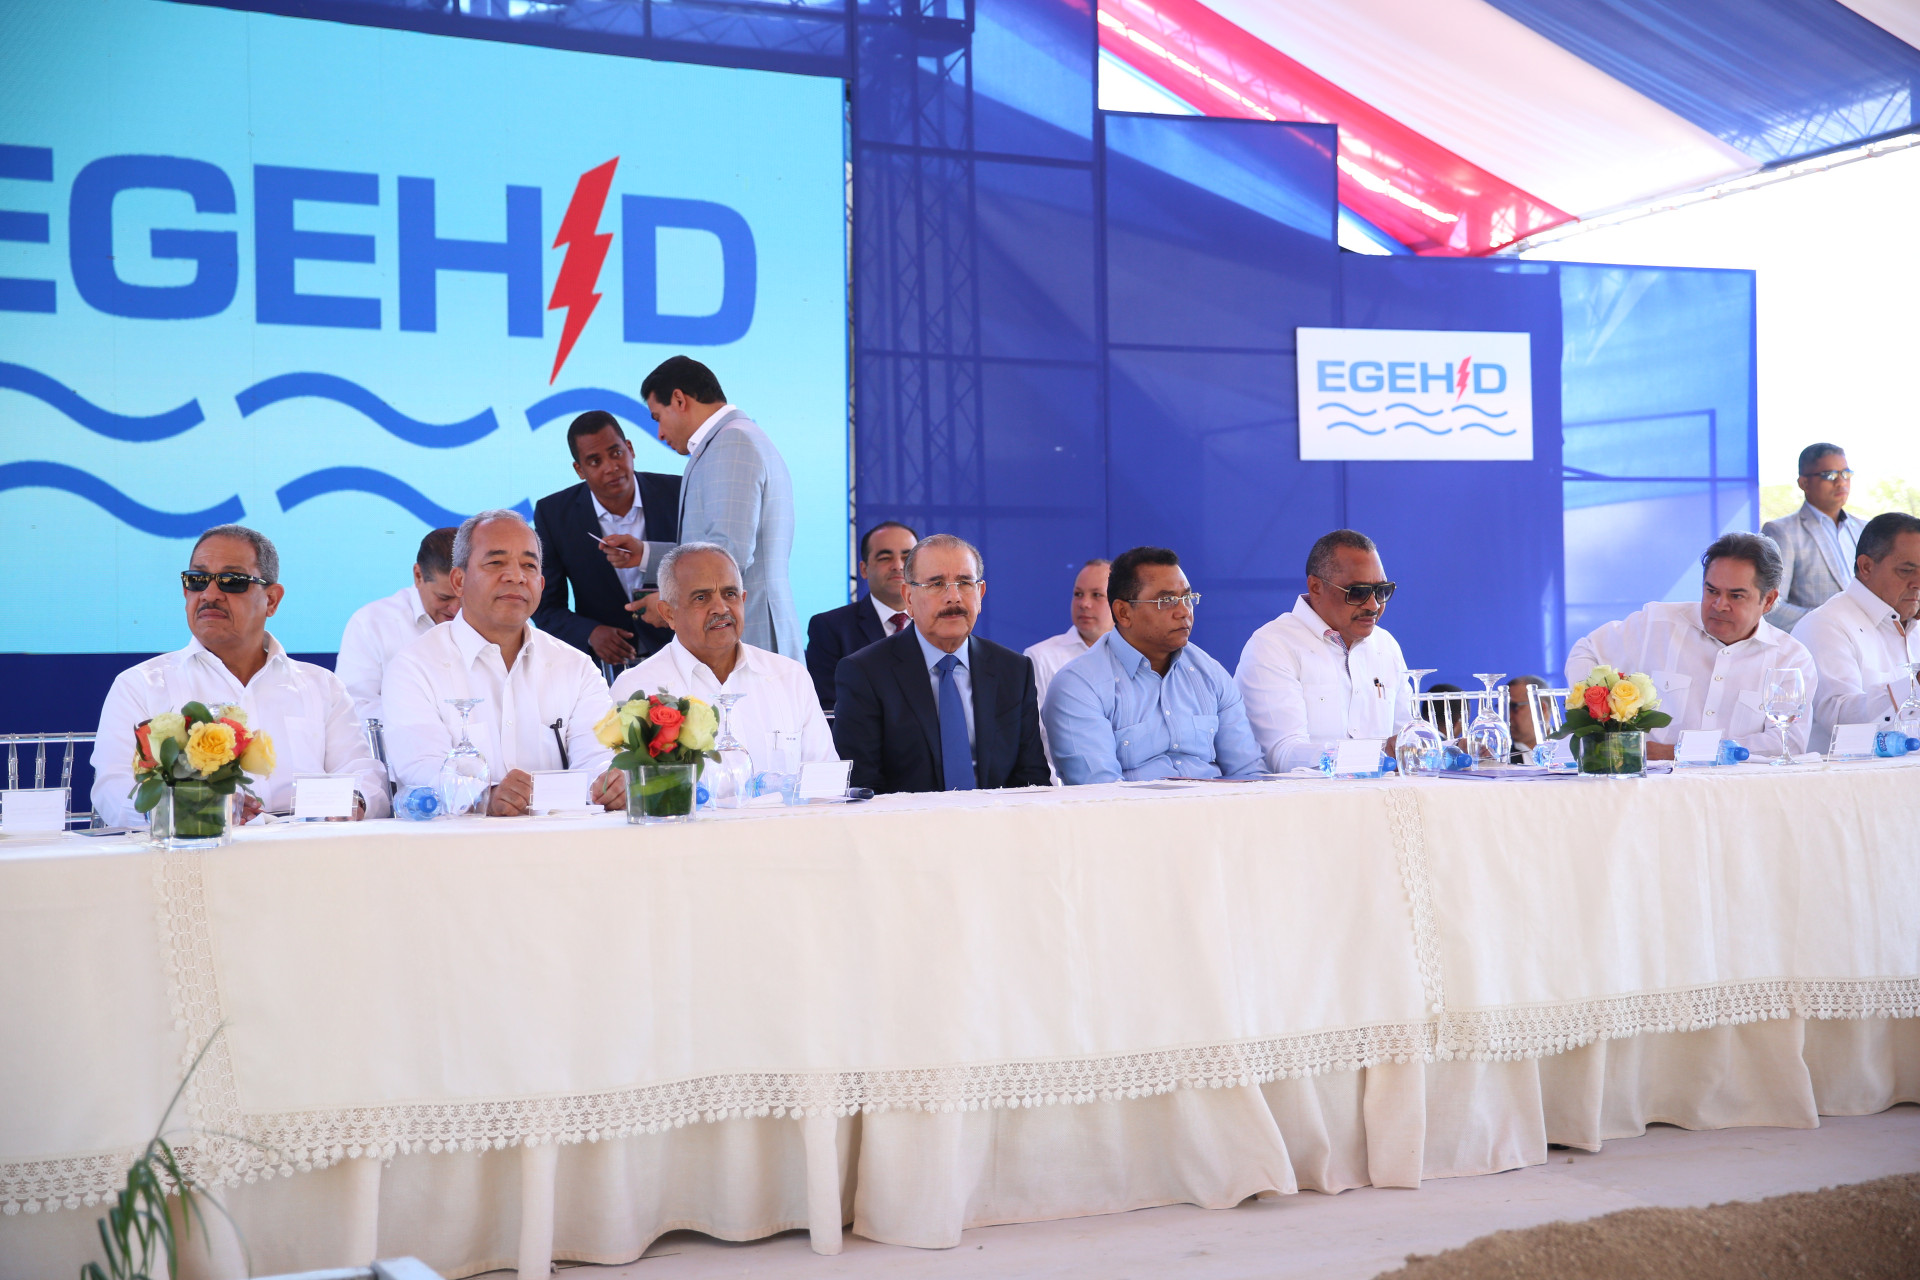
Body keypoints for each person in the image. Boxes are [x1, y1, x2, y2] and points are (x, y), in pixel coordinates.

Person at [92, 524, 389, 826]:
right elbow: (113, 791)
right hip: (198, 848)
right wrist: (193, 808)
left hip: (305, 849)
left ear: (272, 600)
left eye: (231, 581)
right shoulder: (140, 686)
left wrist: (355, 801)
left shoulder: (322, 686)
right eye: (197, 580)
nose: (209, 594)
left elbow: (364, 776)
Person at [384, 510, 624, 815]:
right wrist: (485, 796)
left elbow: (599, 757)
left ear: (541, 584)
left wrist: (609, 784)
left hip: (562, 838)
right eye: (496, 563)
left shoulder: (576, 667)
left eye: (529, 565)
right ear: (459, 581)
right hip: (459, 841)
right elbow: (419, 768)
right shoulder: (414, 668)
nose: (516, 576)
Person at [599, 357, 800, 656]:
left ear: (679, 400)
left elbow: (728, 555)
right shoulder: (733, 439)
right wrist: (645, 554)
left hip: (747, 637)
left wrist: (671, 604)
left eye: (658, 417)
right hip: (740, 633)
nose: (660, 433)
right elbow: (714, 549)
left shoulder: (731, 443)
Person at [1565, 532, 1817, 759]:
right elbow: (1586, 651)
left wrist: (1678, 752)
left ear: (1768, 600)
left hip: (1740, 790)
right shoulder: (1656, 625)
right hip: (1649, 786)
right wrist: (1602, 718)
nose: (1719, 605)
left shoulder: (1791, 659)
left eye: (1736, 596)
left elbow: (1788, 744)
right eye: (1712, 591)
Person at [832, 534, 1049, 794]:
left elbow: (1032, 779)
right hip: (904, 818)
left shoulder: (1014, 670)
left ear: (980, 594)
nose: (953, 597)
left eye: (964, 583)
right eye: (936, 584)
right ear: (909, 598)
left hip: (996, 816)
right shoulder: (865, 673)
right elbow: (863, 787)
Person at [1044, 546, 1263, 784]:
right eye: (1167, 601)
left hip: (1219, 806)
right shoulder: (1079, 685)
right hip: (1131, 808)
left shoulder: (1210, 674)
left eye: (1187, 598)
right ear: (1123, 612)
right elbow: (1101, 791)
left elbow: (1249, 773)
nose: (1183, 612)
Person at [613, 542, 835, 768]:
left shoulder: (789, 676)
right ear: (668, 613)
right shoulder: (636, 689)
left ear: (743, 600)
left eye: (730, 594)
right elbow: (622, 781)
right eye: (701, 598)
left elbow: (825, 776)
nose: (721, 608)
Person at [1234, 530, 1414, 773]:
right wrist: (1373, 756)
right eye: (1358, 592)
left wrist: (1454, 748)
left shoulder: (1386, 645)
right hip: (1305, 797)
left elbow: (1405, 740)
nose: (1373, 605)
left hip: (1381, 794)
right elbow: (1281, 755)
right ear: (1316, 587)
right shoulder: (1272, 645)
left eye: (1382, 591)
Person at [531, 409, 681, 670]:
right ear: (579, 469)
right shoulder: (554, 514)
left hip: (681, 652)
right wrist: (590, 633)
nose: (611, 467)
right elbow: (545, 607)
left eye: (616, 453)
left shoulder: (677, 493)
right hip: (605, 667)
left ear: (630, 449)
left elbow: (705, 564)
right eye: (595, 461)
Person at [1793, 511, 1920, 752]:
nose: (1918, 583)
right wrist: (1914, 686)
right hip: (1847, 774)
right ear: (1866, 567)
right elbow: (1842, 722)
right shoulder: (1825, 625)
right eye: (1906, 570)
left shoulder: (1914, 624)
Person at [334, 527, 460, 727]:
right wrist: (426, 723)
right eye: (444, 597)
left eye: (465, 597)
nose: (456, 609)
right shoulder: (371, 624)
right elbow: (354, 707)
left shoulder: (493, 618)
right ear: (418, 576)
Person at [804, 520, 918, 710]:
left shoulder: (939, 623)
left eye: (907, 557)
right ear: (864, 569)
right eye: (885, 558)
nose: (898, 566)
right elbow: (829, 707)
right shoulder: (830, 628)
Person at [1023, 558, 1114, 778]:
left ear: (1119, 604)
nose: (1084, 604)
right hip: (1062, 788)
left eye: (1097, 595)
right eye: (1078, 594)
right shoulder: (1040, 657)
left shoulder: (1136, 659)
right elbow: (1032, 743)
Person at [1762, 443, 1867, 630]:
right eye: (1829, 475)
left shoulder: (1864, 528)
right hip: (1815, 641)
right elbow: (1770, 607)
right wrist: (1833, 623)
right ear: (1804, 483)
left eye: (1846, 474)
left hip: (1869, 639)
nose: (1841, 482)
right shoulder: (1782, 531)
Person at [1507, 675, 1549, 761]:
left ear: (1541, 708)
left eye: (1514, 707)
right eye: (1505, 708)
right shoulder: (1499, 757)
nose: (1508, 716)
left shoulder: (1572, 747)